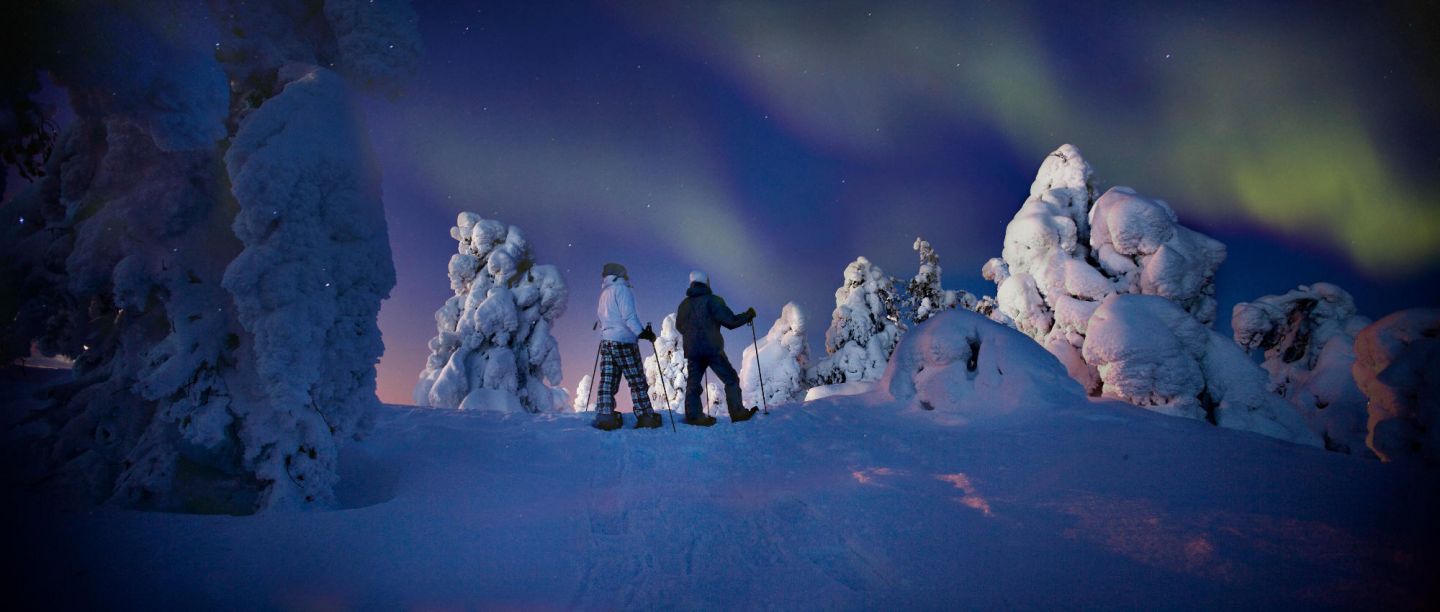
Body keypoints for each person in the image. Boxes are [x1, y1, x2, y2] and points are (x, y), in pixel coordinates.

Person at [675, 270, 757, 426]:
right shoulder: (713, 301)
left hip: (693, 351)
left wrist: (693, 335)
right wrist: (748, 315)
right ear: (706, 283)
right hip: (712, 349)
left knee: (693, 383)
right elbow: (730, 322)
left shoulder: (684, 305)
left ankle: (694, 416)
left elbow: (679, 326)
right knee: (731, 379)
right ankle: (738, 413)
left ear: (692, 283)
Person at [593, 262, 662, 431]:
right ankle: (645, 416)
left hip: (607, 341)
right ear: (619, 274)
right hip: (624, 340)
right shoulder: (622, 290)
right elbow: (629, 316)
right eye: (624, 273)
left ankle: (605, 416)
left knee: (608, 380)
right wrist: (642, 333)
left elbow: (601, 319)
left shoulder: (604, 293)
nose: (627, 275)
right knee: (636, 380)